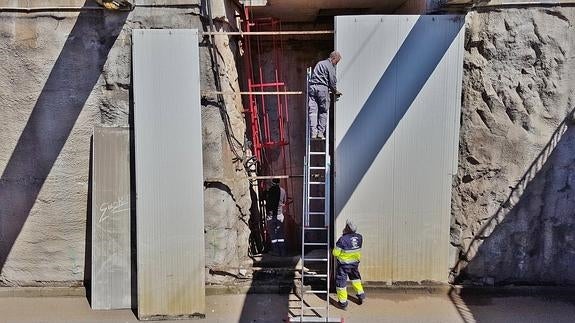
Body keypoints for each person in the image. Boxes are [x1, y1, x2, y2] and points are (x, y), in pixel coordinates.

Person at [308, 51, 342, 140]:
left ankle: (313, 133)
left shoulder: (320, 63)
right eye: (337, 62)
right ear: (333, 58)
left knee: (313, 111)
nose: (336, 64)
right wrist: (335, 91)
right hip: (322, 89)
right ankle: (320, 133)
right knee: (323, 111)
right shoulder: (329, 65)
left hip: (312, 88)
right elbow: (332, 81)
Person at [332, 219, 365, 310]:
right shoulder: (360, 237)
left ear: (347, 228)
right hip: (354, 264)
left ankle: (343, 303)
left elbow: (335, 253)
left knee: (341, 283)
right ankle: (361, 295)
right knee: (355, 279)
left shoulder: (342, 239)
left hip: (344, 265)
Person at [265, 178, 287, 256]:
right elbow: (284, 202)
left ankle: (276, 251)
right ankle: (282, 252)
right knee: (280, 233)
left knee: (273, 235)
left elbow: (266, 201)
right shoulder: (283, 191)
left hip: (271, 216)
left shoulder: (270, 191)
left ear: (272, 182)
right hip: (279, 215)